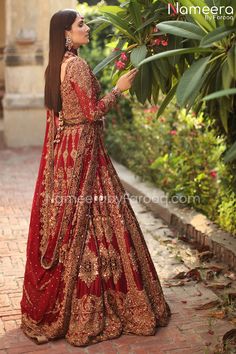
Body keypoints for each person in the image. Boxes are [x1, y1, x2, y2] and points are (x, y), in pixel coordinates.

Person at [20, 8, 171, 347]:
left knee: (76, 221)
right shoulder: (77, 65)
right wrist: (118, 89)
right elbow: (92, 112)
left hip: (66, 154)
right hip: (87, 150)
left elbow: (57, 118)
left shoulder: (53, 68)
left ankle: (64, 307)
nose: (86, 28)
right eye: (81, 24)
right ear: (65, 34)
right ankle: (106, 307)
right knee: (99, 218)